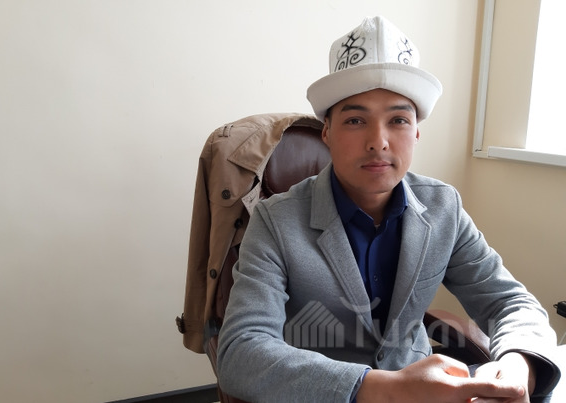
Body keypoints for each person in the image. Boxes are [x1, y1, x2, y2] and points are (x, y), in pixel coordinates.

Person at [216, 16, 560, 402]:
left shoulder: (443, 207)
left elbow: (510, 302)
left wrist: (518, 363)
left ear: (416, 132)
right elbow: (241, 352)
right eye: (355, 120)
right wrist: (387, 389)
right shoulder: (276, 221)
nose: (378, 142)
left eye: (398, 120)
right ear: (326, 132)